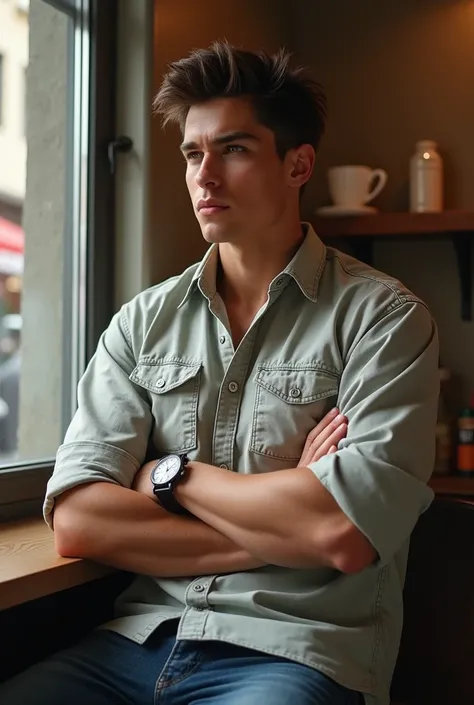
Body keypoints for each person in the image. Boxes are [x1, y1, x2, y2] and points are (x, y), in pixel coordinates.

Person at [0, 41, 439, 705]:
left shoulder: (386, 320)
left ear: (298, 164)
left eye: (232, 149)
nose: (204, 176)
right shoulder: (140, 323)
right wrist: (288, 510)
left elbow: (342, 534)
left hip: (294, 653)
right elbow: (80, 519)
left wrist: (170, 476)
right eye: (192, 153)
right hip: (136, 641)